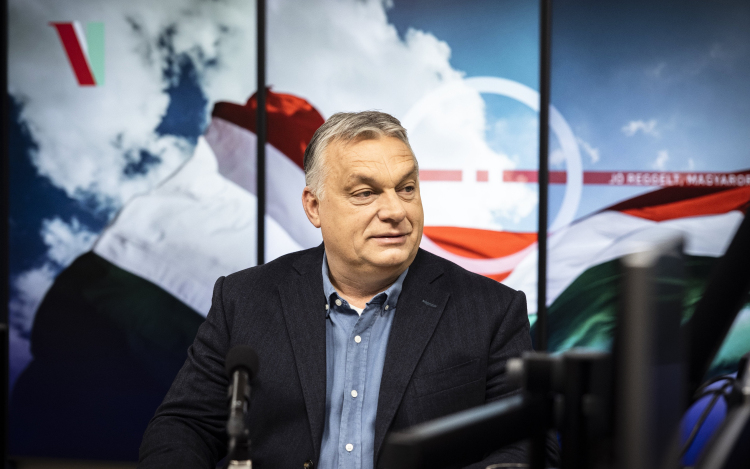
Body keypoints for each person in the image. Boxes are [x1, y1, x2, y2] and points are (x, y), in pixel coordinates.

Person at [139, 111, 547, 468]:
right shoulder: (243, 299)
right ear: (314, 206)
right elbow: (185, 425)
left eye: (406, 188)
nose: (396, 210)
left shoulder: (490, 310)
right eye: (365, 193)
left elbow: (526, 442)